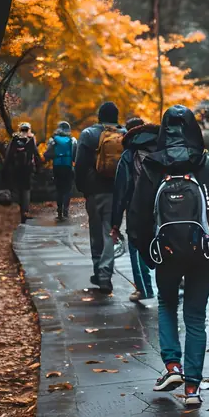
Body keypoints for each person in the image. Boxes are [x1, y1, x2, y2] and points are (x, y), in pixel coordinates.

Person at [128, 105, 209, 407]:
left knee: (166, 304)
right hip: (202, 254)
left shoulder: (153, 167)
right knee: (195, 318)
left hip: (166, 254)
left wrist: (153, 254)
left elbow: (136, 218)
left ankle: (172, 366)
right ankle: (192, 389)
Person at [75, 102, 124, 294]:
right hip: (115, 192)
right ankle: (105, 275)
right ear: (116, 116)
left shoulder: (88, 134)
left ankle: (98, 270)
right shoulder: (124, 134)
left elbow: (79, 165)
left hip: (94, 191)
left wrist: (82, 188)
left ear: (99, 116)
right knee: (109, 233)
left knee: (95, 233)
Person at [111, 118, 158, 302]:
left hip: (136, 208)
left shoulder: (129, 154)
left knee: (136, 247)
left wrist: (115, 223)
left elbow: (120, 190)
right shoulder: (161, 147)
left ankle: (144, 289)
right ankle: (169, 287)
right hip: (163, 206)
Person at [3, 122, 41, 223]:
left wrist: (6, 168)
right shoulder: (31, 139)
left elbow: (9, 154)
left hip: (16, 169)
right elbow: (36, 154)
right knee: (26, 190)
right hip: (27, 169)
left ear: (20, 129)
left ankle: (20, 211)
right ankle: (24, 212)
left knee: (18, 189)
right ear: (29, 129)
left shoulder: (15, 139)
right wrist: (38, 168)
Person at [44, 121, 77, 221]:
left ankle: (59, 211)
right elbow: (75, 155)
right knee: (67, 189)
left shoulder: (53, 139)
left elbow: (47, 154)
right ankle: (66, 211)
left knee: (59, 189)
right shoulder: (72, 140)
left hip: (57, 166)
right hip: (67, 166)